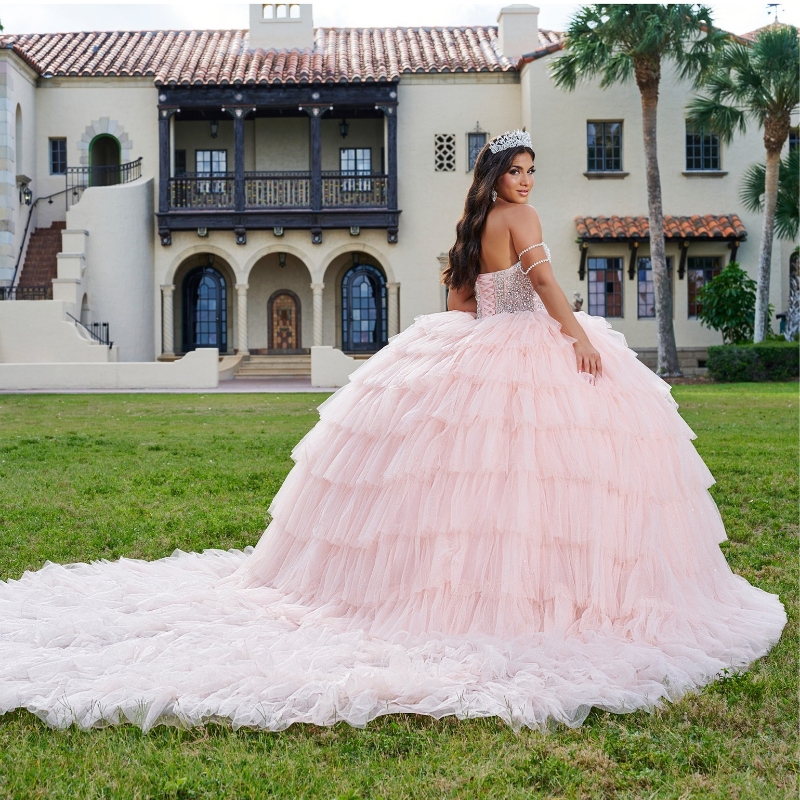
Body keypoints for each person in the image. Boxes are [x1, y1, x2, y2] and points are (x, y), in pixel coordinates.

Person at [0, 131, 786, 733]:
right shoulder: (522, 218)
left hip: (479, 340)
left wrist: (494, 335)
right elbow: (544, 281)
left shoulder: (473, 223)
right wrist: (575, 335)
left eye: (530, 171)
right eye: (516, 170)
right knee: (542, 470)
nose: (525, 181)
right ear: (496, 176)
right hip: (525, 340)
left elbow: (463, 305)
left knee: (477, 471)